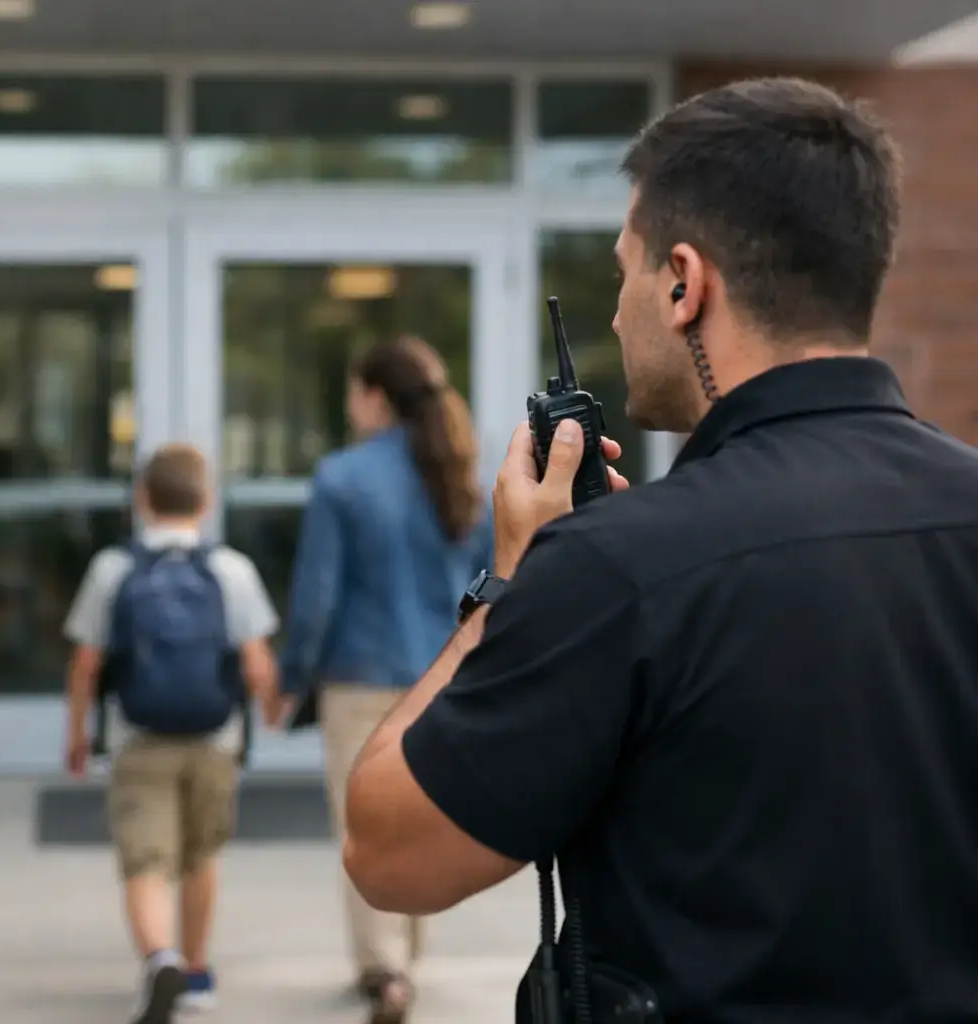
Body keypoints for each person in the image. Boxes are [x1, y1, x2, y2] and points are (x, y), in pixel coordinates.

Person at [342, 76, 978, 1022]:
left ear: (684, 283)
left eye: (623, 272)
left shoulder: (619, 566)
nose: (613, 315)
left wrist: (512, 581)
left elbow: (389, 848)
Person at [277, 336, 494, 1024]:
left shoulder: (342, 478)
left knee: (361, 825)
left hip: (360, 679)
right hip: (442, 677)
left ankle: (386, 969)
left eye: (352, 390)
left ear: (373, 396)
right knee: (420, 818)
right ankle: (406, 958)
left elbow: (316, 596)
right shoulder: (461, 472)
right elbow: (493, 586)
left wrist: (289, 676)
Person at [62, 443, 281, 1024]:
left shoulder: (113, 569)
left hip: (138, 736)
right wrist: (272, 708)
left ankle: (161, 959)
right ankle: (199, 968)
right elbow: (257, 662)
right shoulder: (231, 570)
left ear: (142, 500)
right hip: (216, 740)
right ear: (206, 503)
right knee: (200, 855)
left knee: (145, 859)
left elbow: (86, 663)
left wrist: (78, 733)